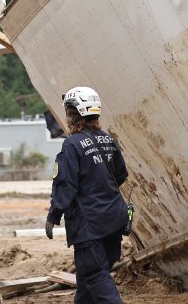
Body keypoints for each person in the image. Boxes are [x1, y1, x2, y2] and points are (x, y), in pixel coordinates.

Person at [45, 86, 128, 303]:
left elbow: (65, 186)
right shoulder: (107, 139)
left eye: (69, 112)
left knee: (93, 274)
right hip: (115, 219)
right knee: (87, 282)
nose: (67, 117)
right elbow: (120, 175)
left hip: (89, 225)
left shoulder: (71, 145)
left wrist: (53, 215)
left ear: (75, 114)